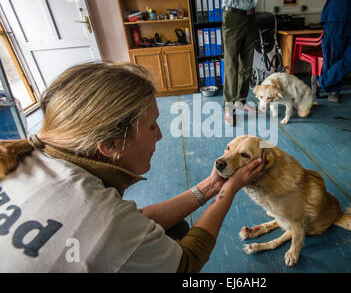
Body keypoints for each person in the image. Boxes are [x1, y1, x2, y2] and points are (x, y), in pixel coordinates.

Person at [0, 62, 265, 272]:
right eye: (152, 126)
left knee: (173, 229)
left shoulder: (29, 159)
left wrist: (210, 186)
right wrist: (229, 190)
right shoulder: (100, 214)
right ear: (110, 145)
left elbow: (135, 223)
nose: (159, 135)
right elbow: (186, 263)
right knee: (176, 238)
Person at [220, 0, 267, 125]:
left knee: (247, 63)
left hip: (250, 17)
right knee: (231, 65)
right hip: (232, 16)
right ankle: (229, 107)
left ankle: (241, 100)